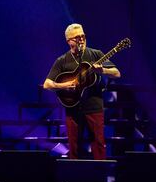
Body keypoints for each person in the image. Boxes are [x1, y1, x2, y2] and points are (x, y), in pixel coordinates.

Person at [43, 23, 121, 160]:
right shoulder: (62, 60)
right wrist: (64, 85)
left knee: (98, 143)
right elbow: (47, 84)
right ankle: (74, 176)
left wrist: (102, 70)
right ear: (69, 41)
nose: (81, 39)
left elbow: (116, 73)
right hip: (72, 108)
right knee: (74, 146)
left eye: (83, 36)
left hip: (94, 106)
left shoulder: (95, 54)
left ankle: (99, 176)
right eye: (77, 37)